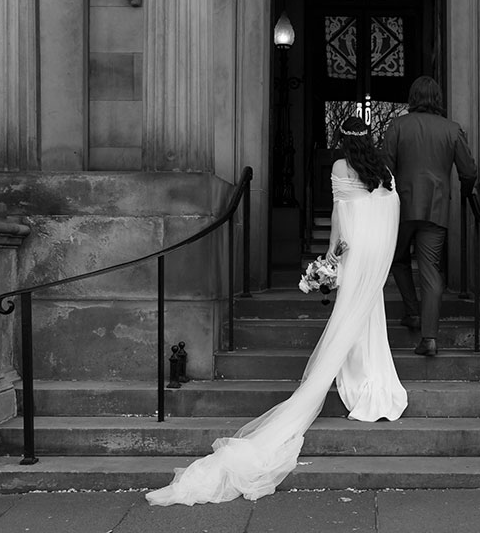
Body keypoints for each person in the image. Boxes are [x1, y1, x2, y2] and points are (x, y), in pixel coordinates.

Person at [146, 116, 406, 506]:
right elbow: (391, 211)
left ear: (341, 139)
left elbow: (340, 215)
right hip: (376, 253)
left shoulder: (339, 167)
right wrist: (381, 256)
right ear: (370, 139)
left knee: (347, 316)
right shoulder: (384, 170)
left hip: (354, 252)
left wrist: (331, 257)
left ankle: (353, 380)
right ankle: (376, 381)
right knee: (369, 315)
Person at [382, 76, 478, 358]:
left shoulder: (397, 126)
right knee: (430, 269)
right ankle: (430, 338)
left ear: (412, 97)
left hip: (401, 207)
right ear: (438, 99)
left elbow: (385, 166)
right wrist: (466, 192)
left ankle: (412, 312)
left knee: (397, 260)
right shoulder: (452, 129)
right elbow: (469, 171)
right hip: (436, 208)